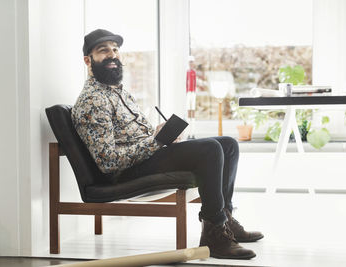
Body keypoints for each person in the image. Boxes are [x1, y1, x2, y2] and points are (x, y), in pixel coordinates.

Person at [71, 29, 263, 260]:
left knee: (228, 144)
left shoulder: (118, 93)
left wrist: (159, 136)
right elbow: (109, 162)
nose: (112, 55)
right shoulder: (92, 100)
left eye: (115, 50)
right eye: (103, 51)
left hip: (145, 159)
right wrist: (157, 141)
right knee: (210, 149)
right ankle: (215, 237)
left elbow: (132, 139)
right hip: (127, 172)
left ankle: (226, 221)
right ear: (87, 60)